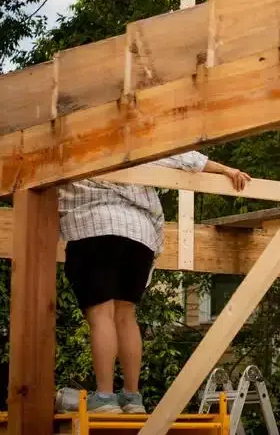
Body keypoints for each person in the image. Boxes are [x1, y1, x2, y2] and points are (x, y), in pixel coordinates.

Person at [58, 151, 251, 413]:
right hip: (139, 235)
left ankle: (104, 397)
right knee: (125, 316)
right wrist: (227, 169)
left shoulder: (74, 144)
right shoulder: (134, 143)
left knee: (101, 314)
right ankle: (131, 397)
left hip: (94, 227)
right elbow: (185, 158)